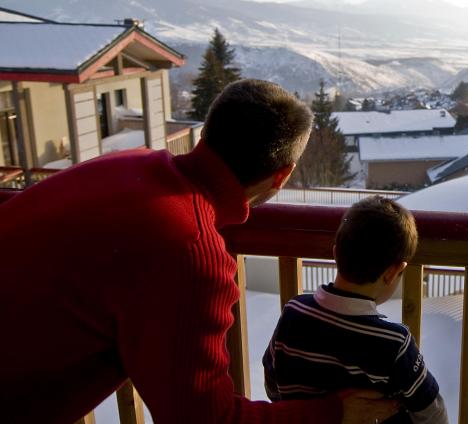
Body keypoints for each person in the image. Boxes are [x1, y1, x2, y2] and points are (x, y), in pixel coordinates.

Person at [0, 79, 398, 424]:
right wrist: (333, 415)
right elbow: (205, 420)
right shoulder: (187, 249)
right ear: (282, 176)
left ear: (206, 133)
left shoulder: (127, 165)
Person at [264, 196, 449, 424]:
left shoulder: (294, 312)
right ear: (393, 272)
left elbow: (272, 384)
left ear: (336, 254)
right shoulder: (395, 344)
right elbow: (432, 412)